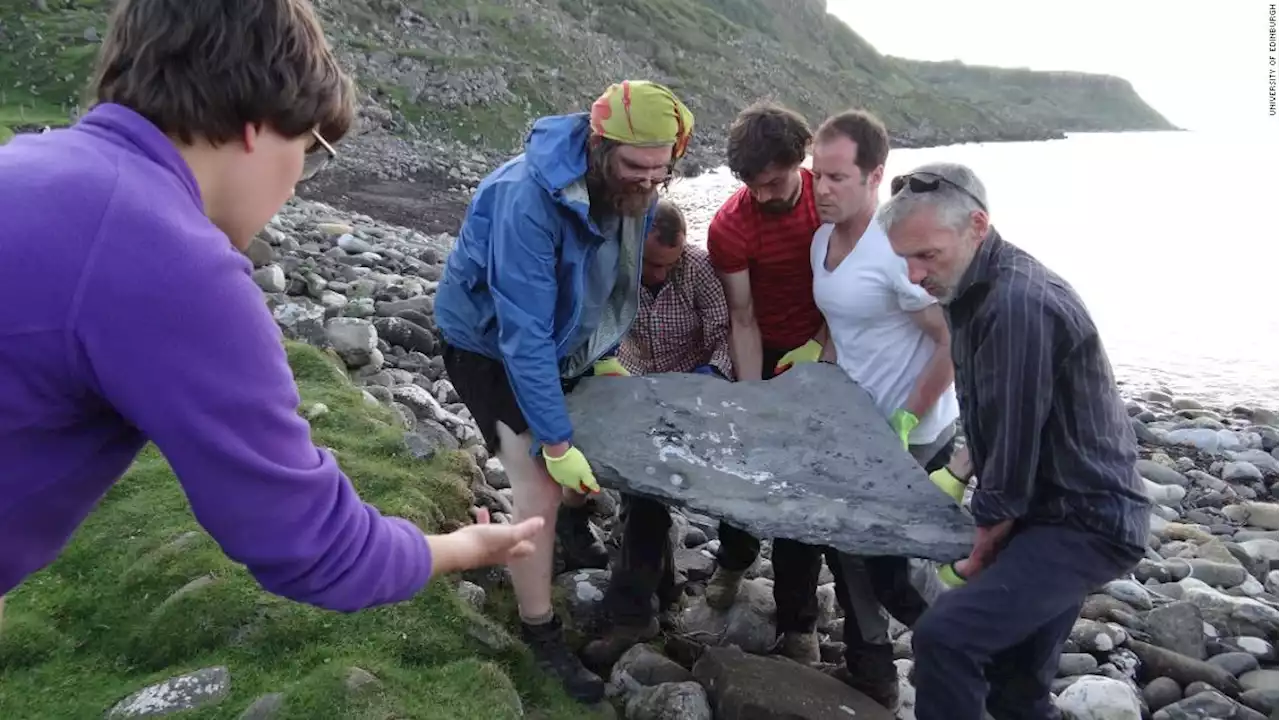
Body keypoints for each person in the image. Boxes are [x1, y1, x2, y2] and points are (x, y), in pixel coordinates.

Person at [0, 0, 542, 632]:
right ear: (258, 125)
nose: (292, 191)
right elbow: (316, 546)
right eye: (311, 156)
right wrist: (459, 549)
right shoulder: (172, 259)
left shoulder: (31, 165)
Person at [433, 80, 695, 703]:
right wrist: (552, 440)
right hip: (488, 345)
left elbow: (605, 287)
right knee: (539, 483)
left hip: (561, 342)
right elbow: (522, 335)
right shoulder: (527, 199)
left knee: (592, 437)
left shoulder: (634, 193)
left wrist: (600, 359)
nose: (647, 184)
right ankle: (539, 631)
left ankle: (574, 534)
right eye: (636, 168)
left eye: (661, 173)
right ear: (600, 147)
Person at [880, 162, 1152, 720]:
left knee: (946, 639)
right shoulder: (969, 289)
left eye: (926, 256)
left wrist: (978, 555)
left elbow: (1010, 459)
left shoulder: (1017, 304)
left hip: (1083, 519)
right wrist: (959, 469)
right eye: (903, 257)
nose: (912, 275)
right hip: (1043, 509)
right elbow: (993, 416)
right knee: (1016, 684)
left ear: (977, 226)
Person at [807, 110, 960, 709]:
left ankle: (973, 650)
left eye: (837, 177)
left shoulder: (897, 249)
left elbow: (949, 337)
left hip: (911, 435)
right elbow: (845, 322)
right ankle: (872, 669)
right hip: (855, 429)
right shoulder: (823, 239)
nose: (822, 188)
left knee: (891, 566)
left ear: (875, 176)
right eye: (817, 175)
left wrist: (907, 417)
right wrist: (818, 372)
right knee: (846, 552)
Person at [580, 198, 733, 669]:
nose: (661, 275)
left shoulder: (700, 271)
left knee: (648, 496)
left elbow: (724, 332)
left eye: (670, 264)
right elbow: (590, 322)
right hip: (627, 385)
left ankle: (634, 610)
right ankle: (654, 593)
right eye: (653, 266)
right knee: (640, 494)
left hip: (688, 393)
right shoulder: (614, 264)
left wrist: (711, 375)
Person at [703, 100, 830, 663]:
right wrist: (751, 400)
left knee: (803, 489)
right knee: (745, 463)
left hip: (824, 346)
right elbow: (743, 317)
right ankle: (732, 560)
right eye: (753, 185)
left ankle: (799, 619)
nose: (764, 194)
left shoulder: (832, 206)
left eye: (775, 182)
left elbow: (851, 294)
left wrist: (820, 353)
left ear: (798, 161)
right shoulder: (731, 226)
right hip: (762, 346)